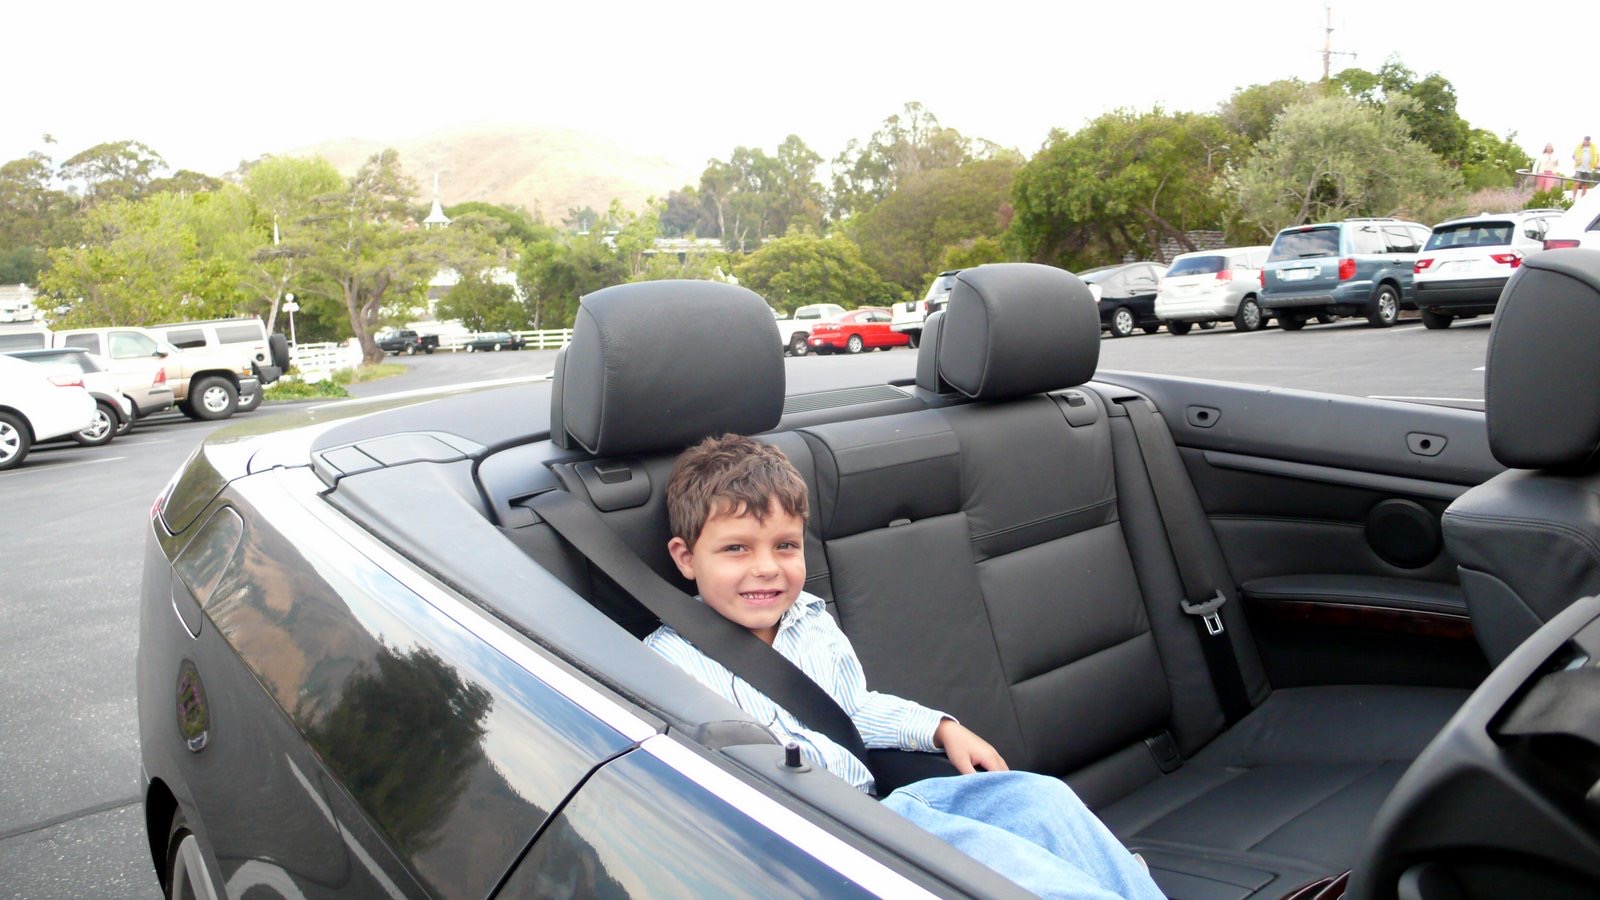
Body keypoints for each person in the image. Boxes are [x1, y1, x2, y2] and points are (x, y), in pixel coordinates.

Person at [646, 433, 1164, 900]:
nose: (766, 567)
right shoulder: (668, 661)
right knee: (1016, 871)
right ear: (686, 557)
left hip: (886, 806)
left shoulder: (809, 619)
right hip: (827, 837)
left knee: (1038, 799)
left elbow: (851, 710)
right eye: (736, 549)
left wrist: (936, 729)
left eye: (785, 546)